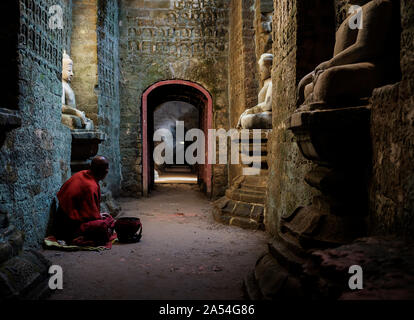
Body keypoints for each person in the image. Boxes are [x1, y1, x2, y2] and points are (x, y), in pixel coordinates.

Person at [53, 156, 114, 246]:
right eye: (107, 169)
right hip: (70, 228)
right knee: (105, 224)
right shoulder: (91, 186)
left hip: (63, 219)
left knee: (107, 219)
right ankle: (73, 238)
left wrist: (98, 215)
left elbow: (84, 208)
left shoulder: (81, 174)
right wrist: (98, 217)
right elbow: (91, 215)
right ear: (105, 172)